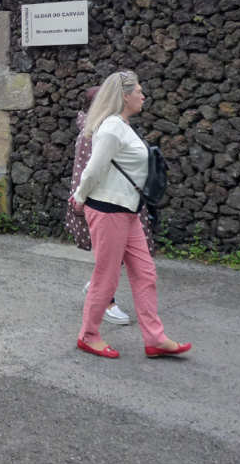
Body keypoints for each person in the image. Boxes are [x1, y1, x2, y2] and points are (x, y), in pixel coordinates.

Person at [71, 70, 191, 360]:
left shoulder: (122, 125)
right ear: (124, 96)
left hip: (128, 211)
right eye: (138, 91)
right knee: (106, 277)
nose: (143, 96)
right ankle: (88, 335)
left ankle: (155, 339)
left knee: (145, 274)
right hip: (108, 210)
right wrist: (80, 198)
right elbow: (93, 169)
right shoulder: (112, 128)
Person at [66, 85, 152, 326]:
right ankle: (105, 303)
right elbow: (89, 171)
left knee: (113, 257)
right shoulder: (98, 131)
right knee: (109, 258)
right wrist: (81, 198)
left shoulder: (107, 127)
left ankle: (98, 292)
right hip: (106, 202)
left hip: (119, 199)